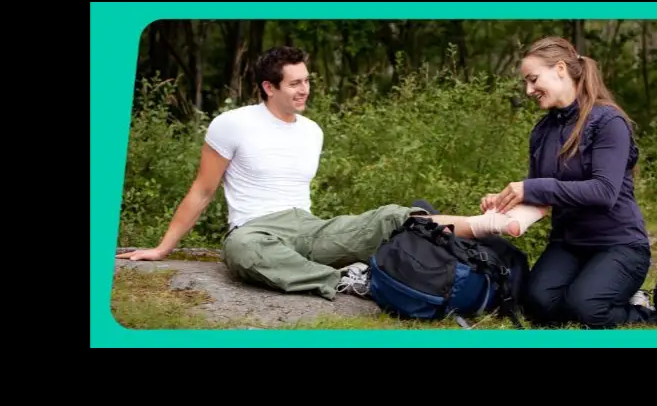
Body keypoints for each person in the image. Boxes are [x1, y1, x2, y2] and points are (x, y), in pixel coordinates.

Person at [116, 46, 544, 301]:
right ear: (269, 87)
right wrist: (161, 248)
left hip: (308, 227)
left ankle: (488, 226)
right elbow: (202, 190)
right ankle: (345, 281)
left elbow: (304, 203)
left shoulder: (312, 131)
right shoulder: (232, 124)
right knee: (242, 251)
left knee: (391, 215)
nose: (305, 90)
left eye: (307, 81)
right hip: (256, 230)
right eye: (294, 83)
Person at [486, 36, 655, 329]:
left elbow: (603, 192)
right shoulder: (542, 130)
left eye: (533, 79)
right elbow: (539, 196)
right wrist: (502, 207)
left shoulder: (608, 122)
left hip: (619, 245)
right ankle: (593, 289)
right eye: (525, 82)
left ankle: (644, 310)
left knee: (587, 308)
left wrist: (529, 188)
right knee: (537, 304)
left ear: (561, 68)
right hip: (569, 244)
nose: (528, 90)